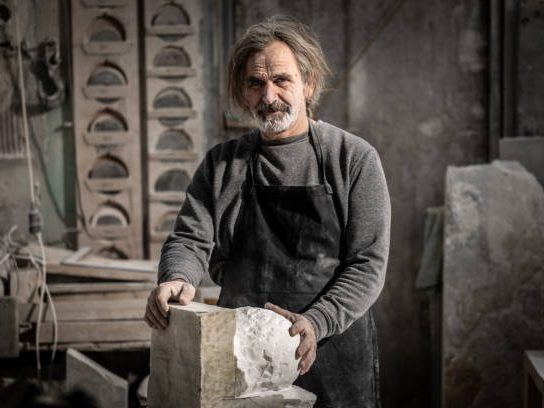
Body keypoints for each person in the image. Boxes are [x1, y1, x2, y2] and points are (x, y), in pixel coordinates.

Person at [144, 15, 391, 408]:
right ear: (243, 92)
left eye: (282, 80)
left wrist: (317, 321)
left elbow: (368, 264)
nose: (269, 95)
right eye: (256, 83)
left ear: (308, 84)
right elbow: (191, 238)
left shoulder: (354, 159)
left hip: (332, 350)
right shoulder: (222, 164)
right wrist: (176, 277)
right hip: (241, 358)